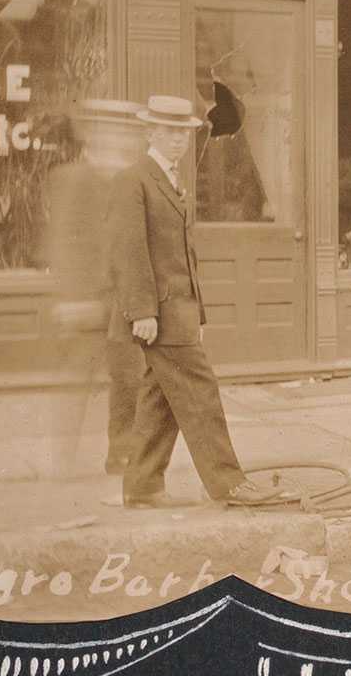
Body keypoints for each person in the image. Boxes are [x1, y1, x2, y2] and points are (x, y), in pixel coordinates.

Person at [105, 94, 287, 509]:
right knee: (200, 392)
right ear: (150, 132)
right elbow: (129, 250)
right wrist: (143, 312)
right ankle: (229, 485)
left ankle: (143, 486)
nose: (178, 141)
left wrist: (197, 311)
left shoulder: (169, 178)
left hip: (179, 312)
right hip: (159, 313)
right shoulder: (133, 180)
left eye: (184, 133)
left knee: (161, 398)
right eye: (169, 132)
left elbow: (183, 255)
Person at [41, 100, 147, 475]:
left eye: (124, 137)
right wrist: (72, 298)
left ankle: (121, 457)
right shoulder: (71, 179)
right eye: (109, 134)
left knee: (130, 382)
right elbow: (63, 243)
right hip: (85, 303)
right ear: (93, 136)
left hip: (124, 305)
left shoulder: (134, 183)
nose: (117, 144)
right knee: (76, 384)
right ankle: (60, 464)